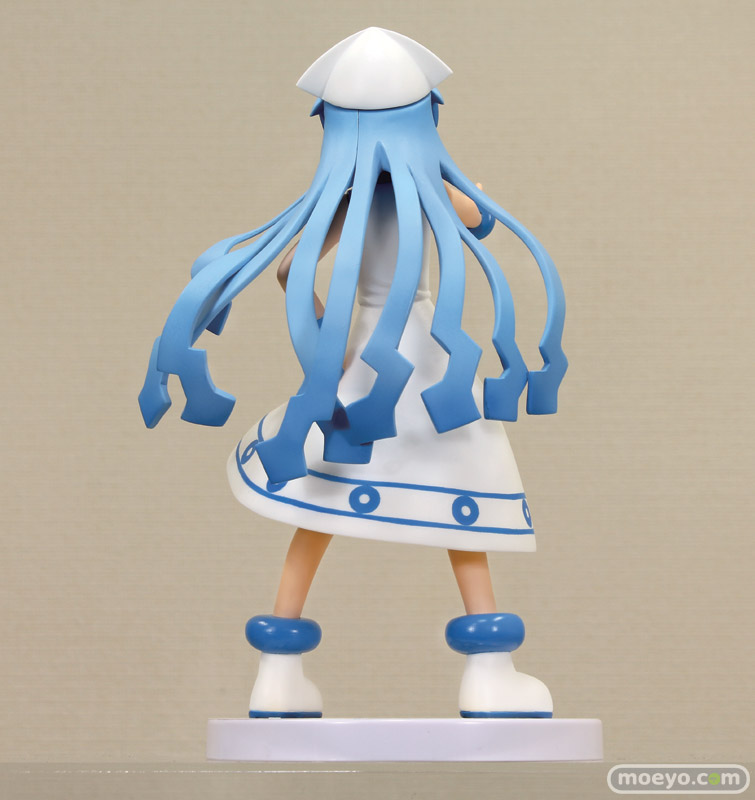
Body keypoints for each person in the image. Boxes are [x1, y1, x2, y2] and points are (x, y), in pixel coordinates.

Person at [139, 28, 567, 719]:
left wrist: (329, 344)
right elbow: (478, 221)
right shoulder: (434, 187)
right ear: (425, 116)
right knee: (460, 501)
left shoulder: (343, 199)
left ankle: (278, 676)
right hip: (428, 354)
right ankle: (490, 672)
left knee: (319, 503)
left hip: (363, 355)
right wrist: (471, 193)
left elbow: (287, 269)